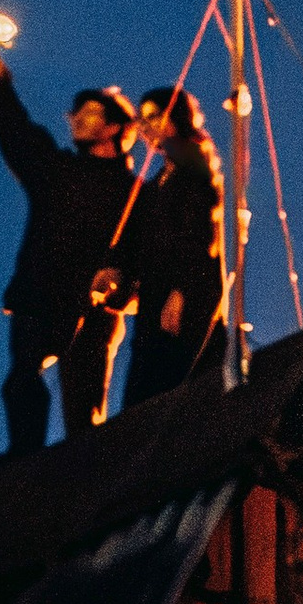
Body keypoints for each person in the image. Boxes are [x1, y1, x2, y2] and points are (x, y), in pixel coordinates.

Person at [0, 37, 138, 450]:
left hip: (92, 310)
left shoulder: (133, 194)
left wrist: (122, 283)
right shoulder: (57, 172)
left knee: (83, 410)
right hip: (38, 298)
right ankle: (21, 468)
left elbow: (143, 259)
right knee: (22, 380)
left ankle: (82, 478)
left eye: (89, 113)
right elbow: (16, 131)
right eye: (74, 112)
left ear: (114, 127)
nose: (75, 119)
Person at [119, 81, 228, 406]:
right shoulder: (159, 179)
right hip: (156, 294)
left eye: (154, 116)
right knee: (146, 393)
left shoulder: (191, 161)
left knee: (176, 387)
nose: (146, 126)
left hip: (185, 289)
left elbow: (199, 231)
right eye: (142, 118)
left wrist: (182, 292)